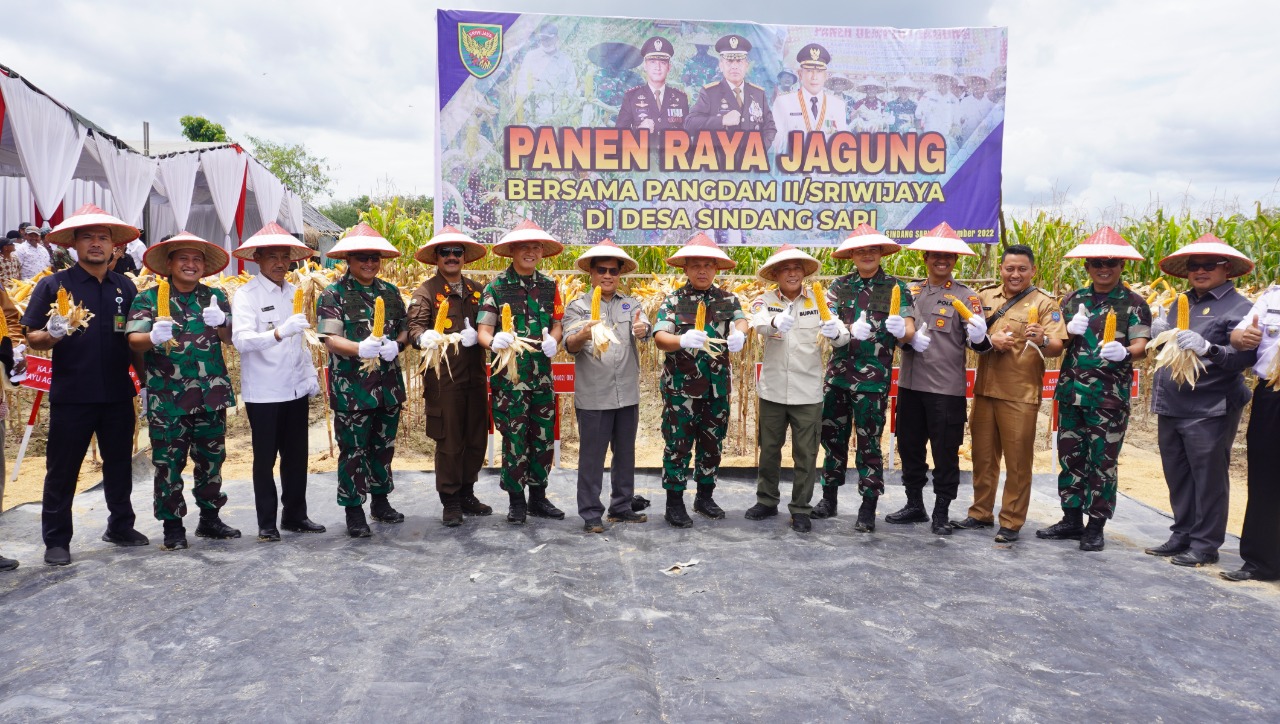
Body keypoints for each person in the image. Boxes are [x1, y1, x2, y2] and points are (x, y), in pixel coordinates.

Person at [22, 204, 147, 566]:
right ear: (74, 244)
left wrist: (145, 382)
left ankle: (120, 525)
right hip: (73, 394)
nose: (96, 243)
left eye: (103, 238)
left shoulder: (125, 286)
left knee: (119, 463)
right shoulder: (53, 284)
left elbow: (133, 340)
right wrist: (52, 332)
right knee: (63, 469)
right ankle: (57, 540)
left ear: (114, 247)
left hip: (117, 394)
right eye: (88, 237)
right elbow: (33, 336)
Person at [1143, 236, 1256, 568]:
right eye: (1195, 266)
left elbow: (1244, 357)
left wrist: (1209, 348)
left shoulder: (1240, 308)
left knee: (1208, 477)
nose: (1201, 271)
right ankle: (1182, 533)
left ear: (1227, 269)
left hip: (1210, 405)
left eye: (1210, 265)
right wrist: (1158, 333)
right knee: (1177, 473)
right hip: (1171, 403)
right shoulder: (1181, 302)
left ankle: (1205, 544)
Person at [1037, 227, 1151, 552]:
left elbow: (1142, 344)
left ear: (1121, 267)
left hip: (1108, 397)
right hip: (1072, 393)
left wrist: (1125, 351)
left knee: (1102, 462)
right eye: (1097, 262)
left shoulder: (1134, 304)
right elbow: (1057, 343)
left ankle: (1095, 525)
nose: (1104, 268)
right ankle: (1071, 519)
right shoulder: (1073, 300)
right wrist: (1066, 332)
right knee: (1070, 456)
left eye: (1111, 263)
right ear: (1087, 266)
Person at [127, 232, 239, 550]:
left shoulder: (215, 296)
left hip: (211, 393)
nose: (191, 264)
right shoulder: (148, 298)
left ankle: (210, 519)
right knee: (169, 462)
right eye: (184, 258)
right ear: (170, 264)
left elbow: (231, 339)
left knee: (211, 459)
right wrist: (152, 337)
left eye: (197, 259)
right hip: (168, 397)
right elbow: (133, 340)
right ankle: (173, 526)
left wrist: (222, 323)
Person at [954, 244, 1066, 542]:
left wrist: (1042, 340)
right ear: (1000, 269)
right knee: (982, 457)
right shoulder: (986, 296)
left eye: (1022, 269)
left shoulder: (1044, 304)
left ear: (1032, 271)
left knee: (1017, 461)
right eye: (1009, 268)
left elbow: (1057, 347)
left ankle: (1011, 521)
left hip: (1020, 393)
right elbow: (970, 335)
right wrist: (989, 339)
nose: (1015, 274)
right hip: (985, 391)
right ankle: (980, 513)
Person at [886, 223, 990, 534]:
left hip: (945, 390)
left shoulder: (966, 297)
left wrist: (982, 336)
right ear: (926, 258)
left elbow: (979, 345)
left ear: (955, 260)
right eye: (935, 255)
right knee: (910, 447)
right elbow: (896, 333)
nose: (941, 260)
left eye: (947, 256)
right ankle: (915, 504)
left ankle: (941, 510)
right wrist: (904, 340)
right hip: (909, 385)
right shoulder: (910, 292)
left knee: (945, 452)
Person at [815, 224, 917, 531]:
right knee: (832, 438)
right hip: (837, 378)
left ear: (881, 253)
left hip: (873, 381)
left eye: (872, 250)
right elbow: (827, 317)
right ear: (852, 255)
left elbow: (909, 329)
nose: (867, 254)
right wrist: (834, 330)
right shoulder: (840, 286)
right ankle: (829, 498)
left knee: (869, 443)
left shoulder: (896, 288)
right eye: (861, 250)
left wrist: (903, 332)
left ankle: (868, 504)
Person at [230, 223, 325, 542]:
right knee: (265, 459)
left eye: (285, 256)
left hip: (294, 389)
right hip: (265, 392)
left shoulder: (293, 292)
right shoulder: (247, 295)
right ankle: (266, 523)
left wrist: (310, 374)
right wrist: (278, 332)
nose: (280, 263)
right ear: (257, 258)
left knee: (297, 457)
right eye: (272, 256)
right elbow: (241, 340)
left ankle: (295, 515)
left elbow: (300, 340)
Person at [317, 223, 409, 538]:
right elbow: (329, 339)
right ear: (349, 260)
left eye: (374, 258)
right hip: (352, 389)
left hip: (388, 386)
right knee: (353, 450)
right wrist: (359, 348)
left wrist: (398, 342)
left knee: (383, 447)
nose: (369, 263)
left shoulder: (391, 292)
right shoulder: (334, 293)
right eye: (361, 258)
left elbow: (405, 328)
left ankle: (380, 502)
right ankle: (354, 510)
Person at [745, 245, 844, 533]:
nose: (791, 272)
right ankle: (766, 500)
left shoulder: (820, 300)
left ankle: (801, 507)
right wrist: (774, 321)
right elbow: (758, 322)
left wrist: (838, 333)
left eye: (797, 268)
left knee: (806, 454)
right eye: (785, 268)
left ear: (803, 273)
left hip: (807, 392)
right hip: (773, 391)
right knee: (770, 450)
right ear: (775, 274)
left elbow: (840, 333)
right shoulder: (764, 300)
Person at [652, 233, 749, 527]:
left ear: (716, 268)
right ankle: (674, 502)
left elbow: (741, 319)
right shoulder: (674, 300)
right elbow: (659, 337)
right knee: (677, 445)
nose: (703, 270)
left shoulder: (727, 299)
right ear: (685, 268)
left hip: (716, 388)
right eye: (696, 265)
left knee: (712, 445)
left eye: (708, 265)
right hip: (681, 390)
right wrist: (680, 340)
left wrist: (740, 333)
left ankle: (704, 496)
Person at [477, 220, 566, 524]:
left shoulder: (551, 286)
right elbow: (483, 332)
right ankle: (517, 501)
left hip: (541, 376)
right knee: (514, 441)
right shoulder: (496, 287)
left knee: (542, 439)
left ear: (542, 251)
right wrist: (494, 342)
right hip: (510, 379)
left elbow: (557, 322)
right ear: (512, 250)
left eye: (536, 247)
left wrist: (555, 338)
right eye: (524, 246)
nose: (530, 252)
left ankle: (538, 498)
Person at [406, 226, 493, 527]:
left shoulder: (478, 290)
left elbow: (490, 326)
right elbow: (414, 329)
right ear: (437, 258)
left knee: (475, 438)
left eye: (458, 252)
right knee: (450, 441)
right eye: (446, 252)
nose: (453, 257)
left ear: (464, 257)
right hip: (444, 382)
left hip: (475, 378)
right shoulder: (426, 292)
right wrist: (425, 336)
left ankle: (468, 492)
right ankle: (451, 500)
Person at [561, 240, 650, 533]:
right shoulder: (578, 307)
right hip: (594, 396)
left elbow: (644, 326)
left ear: (620, 273)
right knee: (592, 457)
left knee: (625, 454)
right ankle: (590, 513)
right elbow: (569, 344)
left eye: (614, 270)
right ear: (591, 273)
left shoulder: (631, 304)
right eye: (602, 270)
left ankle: (621, 507)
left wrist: (644, 329)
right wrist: (584, 333)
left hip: (627, 393)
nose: (608, 275)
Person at [1224, 282, 1280, 581]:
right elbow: (1239, 336)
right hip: (1272, 392)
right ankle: (1261, 562)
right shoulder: (1272, 296)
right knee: (1265, 477)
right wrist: (1243, 337)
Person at [685, 34, 777, 153]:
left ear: (746, 65)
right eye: (729, 61)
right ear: (721, 65)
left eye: (739, 61)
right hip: (721, 165)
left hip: (752, 165)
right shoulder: (710, 93)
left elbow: (770, 127)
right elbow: (690, 124)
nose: (734, 66)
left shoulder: (758, 93)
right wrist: (722, 120)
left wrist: (759, 150)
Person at [770, 43, 847, 154]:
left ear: (826, 76)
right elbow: (775, 143)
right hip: (793, 167)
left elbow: (842, 143)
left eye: (819, 71)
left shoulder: (837, 105)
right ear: (800, 74)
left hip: (826, 168)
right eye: (809, 70)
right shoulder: (783, 102)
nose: (814, 77)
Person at [615, 37, 688, 138]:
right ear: (645, 65)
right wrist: (638, 131)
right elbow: (617, 136)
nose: (657, 67)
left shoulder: (681, 98)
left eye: (662, 62)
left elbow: (688, 136)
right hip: (642, 153)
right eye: (652, 62)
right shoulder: (631, 97)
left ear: (669, 67)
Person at [515, 24, 578, 125]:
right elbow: (521, 82)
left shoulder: (565, 60)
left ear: (557, 38)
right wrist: (529, 101)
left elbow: (572, 84)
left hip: (557, 116)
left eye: (549, 39)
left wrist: (563, 104)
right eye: (543, 39)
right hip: (533, 115)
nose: (546, 42)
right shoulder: (531, 57)